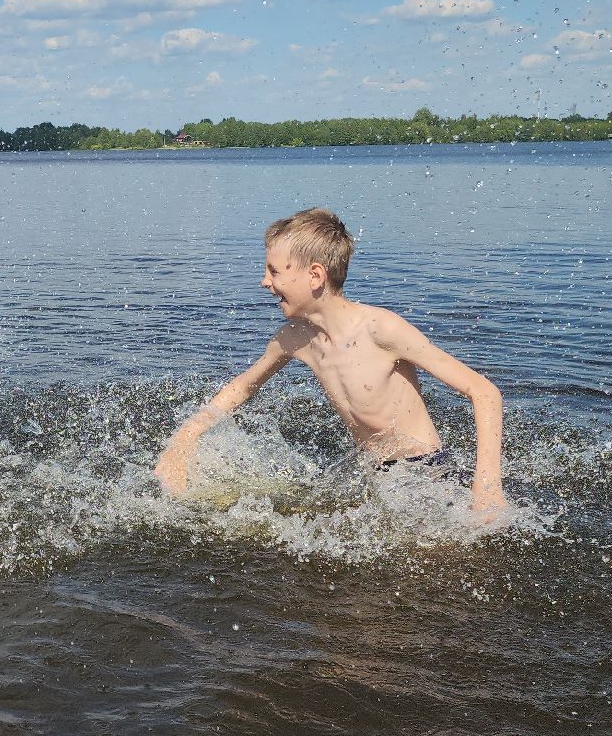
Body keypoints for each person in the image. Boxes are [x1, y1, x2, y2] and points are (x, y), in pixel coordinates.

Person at [153, 208, 506, 513]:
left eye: (274, 271)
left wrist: (487, 485)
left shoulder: (380, 329)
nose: (264, 282)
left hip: (424, 473)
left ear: (316, 275)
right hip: (374, 476)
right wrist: (185, 439)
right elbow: (243, 386)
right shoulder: (295, 338)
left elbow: (485, 392)